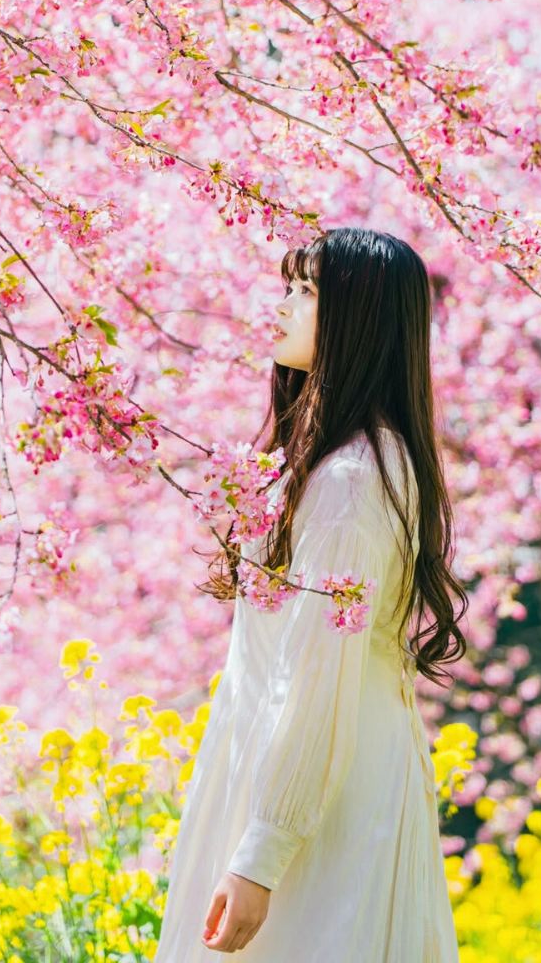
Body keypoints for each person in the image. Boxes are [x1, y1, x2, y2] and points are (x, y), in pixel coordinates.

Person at [156, 227, 469, 960]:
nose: (283, 305)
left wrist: (259, 857)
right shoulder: (347, 464)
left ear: (358, 318)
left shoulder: (351, 482)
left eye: (306, 291)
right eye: (287, 286)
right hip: (305, 779)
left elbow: (317, 680)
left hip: (317, 808)